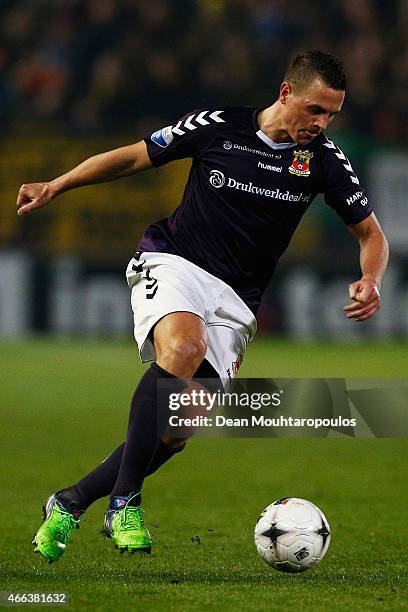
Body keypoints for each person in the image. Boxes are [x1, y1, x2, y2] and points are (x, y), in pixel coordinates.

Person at [17, 50, 388, 563]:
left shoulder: (323, 159)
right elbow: (132, 156)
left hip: (236, 302)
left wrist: (370, 279)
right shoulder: (218, 126)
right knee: (183, 348)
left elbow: (370, 233)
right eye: (314, 110)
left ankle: (70, 501)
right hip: (175, 262)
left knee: (177, 428)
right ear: (285, 93)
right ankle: (124, 502)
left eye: (331, 115)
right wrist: (57, 184)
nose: (320, 124)